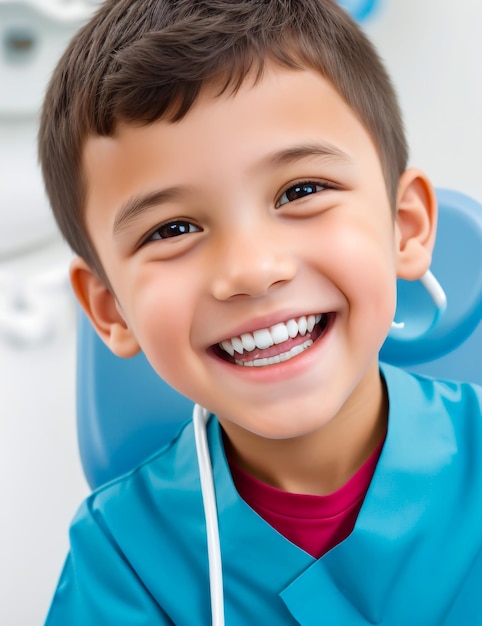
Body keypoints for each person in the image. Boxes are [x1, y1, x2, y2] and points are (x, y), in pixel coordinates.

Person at [39, 0, 482, 624]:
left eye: (300, 192)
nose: (250, 268)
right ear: (111, 309)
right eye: (173, 228)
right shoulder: (121, 559)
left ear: (404, 228)